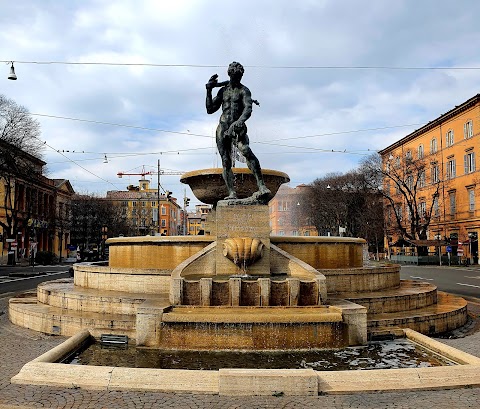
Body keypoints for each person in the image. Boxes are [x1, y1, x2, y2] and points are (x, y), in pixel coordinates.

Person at [206, 61, 270, 200]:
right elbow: (210, 109)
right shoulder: (223, 90)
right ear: (230, 75)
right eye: (234, 76)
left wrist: (239, 122)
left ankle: (261, 185)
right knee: (225, 161)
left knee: (246, 150)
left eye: (239, 76)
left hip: (237, 128)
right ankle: (232, 193)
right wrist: (209, 90)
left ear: (241, 76)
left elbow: (248, 108)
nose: (237, 79)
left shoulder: (244, 90)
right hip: (222, 128)